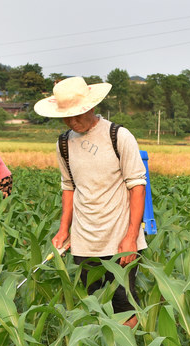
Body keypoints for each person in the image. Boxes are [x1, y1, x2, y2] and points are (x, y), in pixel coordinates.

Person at [33, 77, 147, 327]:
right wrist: (63, 229)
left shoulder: (118, 136)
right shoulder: (64, 143)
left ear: (91, 106)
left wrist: (131, 237)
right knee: (94, 304)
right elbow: (68, 187)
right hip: (84, 241)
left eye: (77, 115)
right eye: (66, 117)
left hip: (119, 238)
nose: (72, 121)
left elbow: (137, 186)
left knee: (125, 306)